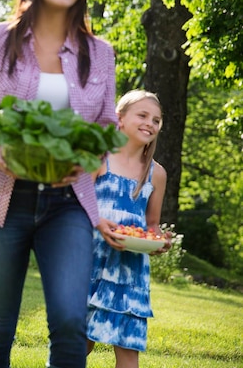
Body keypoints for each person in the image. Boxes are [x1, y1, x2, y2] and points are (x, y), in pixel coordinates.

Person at [0, 0, 119, 367]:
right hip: (0, 202)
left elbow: (108, 124)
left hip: (69, 205)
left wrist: (87, 155)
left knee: (69, 322)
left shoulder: (100, 52)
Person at [87, 90, 172, 368]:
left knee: (127, 348)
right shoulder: (100, 159)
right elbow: (78, 204)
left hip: (130, 268)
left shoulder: (156, 173)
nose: (151, 123)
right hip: (91, 260)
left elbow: (151, 224)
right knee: (78, 344)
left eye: (156, 120)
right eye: (143, 115)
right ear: (119, 119)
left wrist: (158, 240)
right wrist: (100, 223)